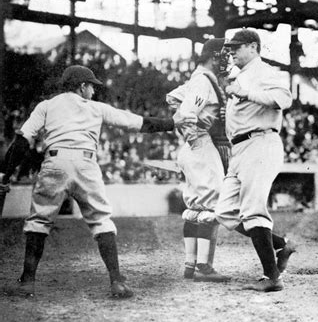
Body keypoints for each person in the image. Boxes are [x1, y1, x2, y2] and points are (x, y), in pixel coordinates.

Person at [0, 65, 195, 298]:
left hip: (55, 161)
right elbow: (138, 122)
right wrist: (173, 123)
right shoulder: (96, 108)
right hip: (86, 163)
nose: (93, 91)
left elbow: (22, 141)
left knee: (39, 221)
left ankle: (27, 282)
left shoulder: (46, 106)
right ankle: (117, 281)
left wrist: (6, 173)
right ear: (82, 86)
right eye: (91, 86)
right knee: (101, 219)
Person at [214, 29, 295, 292]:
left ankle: (272, 277)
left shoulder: (265, 73)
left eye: (237, 47)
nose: (232, 51)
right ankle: (281, 243)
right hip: (240, 148)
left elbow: (285, 99)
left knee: (252, 211)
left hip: (260, 143)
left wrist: (247, 93)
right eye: (230, 47)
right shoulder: (239, 76)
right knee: (225, 212)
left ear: (253, 47)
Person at [166, 38, 231, 282]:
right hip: (201, 145)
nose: (227, 59)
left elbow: (172, 97)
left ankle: (190, 264)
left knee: (194, 207)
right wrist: (195, 131)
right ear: (214, 56)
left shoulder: (200, 79)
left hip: (194, 148)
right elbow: (186, 112)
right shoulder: (204, 81)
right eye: (224, 54)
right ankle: (204, 266)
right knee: (212, 204)